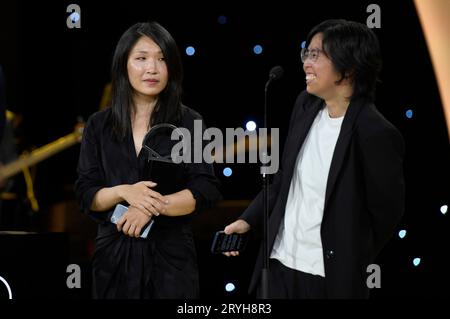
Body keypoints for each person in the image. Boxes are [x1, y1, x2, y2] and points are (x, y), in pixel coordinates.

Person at [224, 19, 405, 298]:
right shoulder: (305, 105)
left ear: (349, 67)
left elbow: (385, 213)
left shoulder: (375, 132)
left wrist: (349, 256)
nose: (307, 63)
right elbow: (284, 178)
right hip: (278, 266)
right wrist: (249, 220)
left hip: (326, 280)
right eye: (306, 54)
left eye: (317, 55)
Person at [75, 21, 221, 299]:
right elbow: (86, 194)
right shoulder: (98, 125)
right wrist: (123, 192)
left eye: (162, 59)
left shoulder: (189, 122)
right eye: (141, 58)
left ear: (172, 68)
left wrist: (152, 206)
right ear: (124, 65)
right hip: (113, 262)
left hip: (172, 262)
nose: (152, 68)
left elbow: (206, 189)